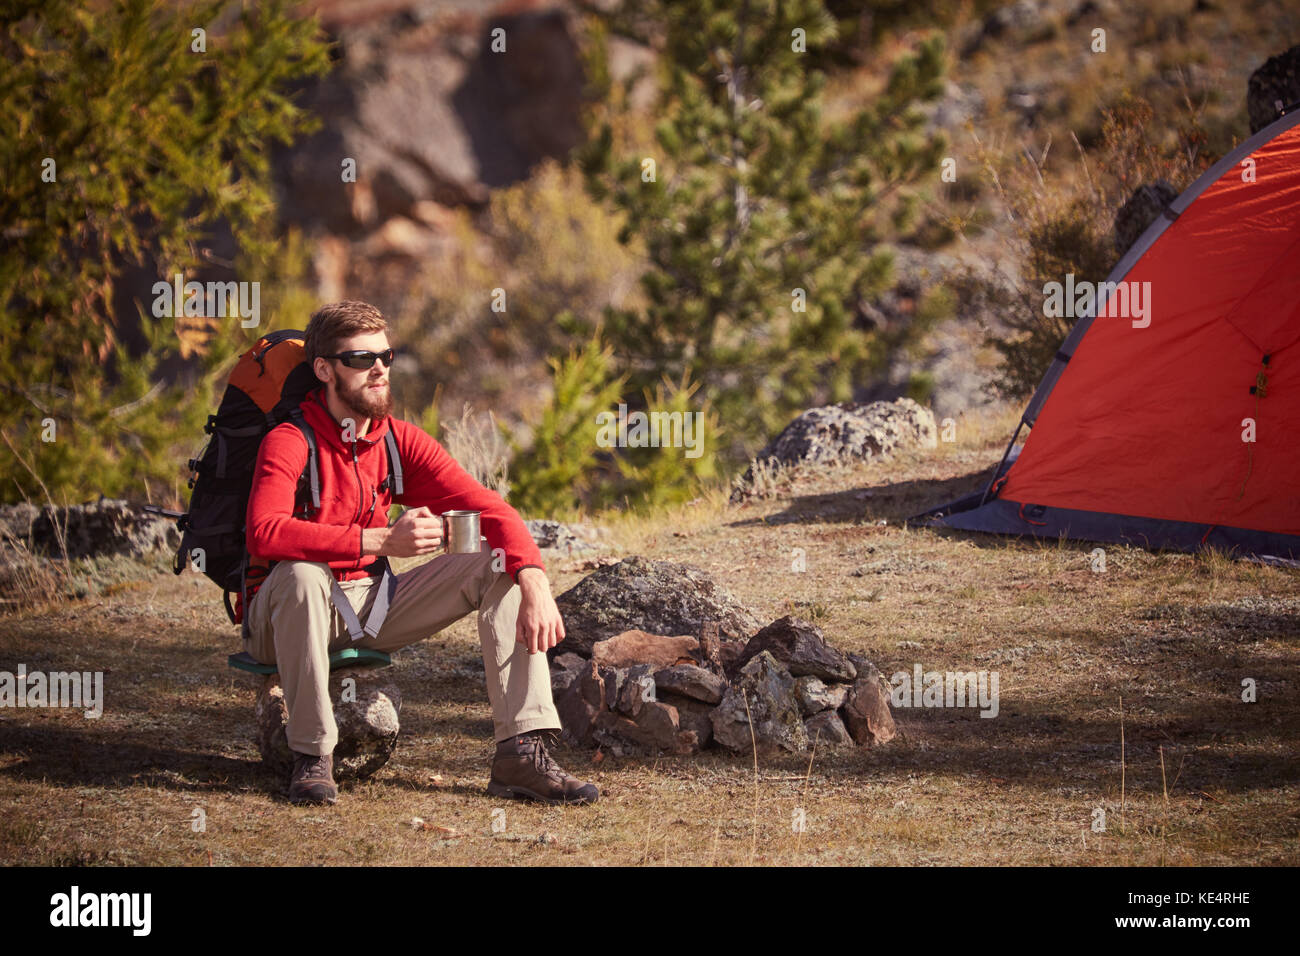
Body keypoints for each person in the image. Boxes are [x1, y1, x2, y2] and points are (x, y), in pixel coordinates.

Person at [242, 300, 597, 807]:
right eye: (360, 359)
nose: (379, 368)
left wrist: (534, 578)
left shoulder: (397, 441)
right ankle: (312, 757)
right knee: (301, 576)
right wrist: (381, 541)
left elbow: (490, 509)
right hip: (284, 616)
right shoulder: (289, 439)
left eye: (386, 356)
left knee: (501, 565)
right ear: (324, 370)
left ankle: (521, 752)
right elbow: (264, 532)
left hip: (370, 605)